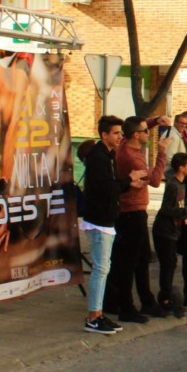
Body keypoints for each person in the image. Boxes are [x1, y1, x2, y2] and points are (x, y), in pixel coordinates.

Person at [78, 116, 145, 334]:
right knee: (101, 268)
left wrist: (127, 183)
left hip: (106, 218)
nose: (119, 137)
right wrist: (129, 180)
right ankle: (93, 316)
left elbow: (111, 187)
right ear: (104, 134)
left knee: (104, 267)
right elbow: (106, 188)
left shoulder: (108, 155)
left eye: (120, 133)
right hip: (99, 221)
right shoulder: (98, 157)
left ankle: (98, 314)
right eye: (115, 133)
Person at [108, 115, 168, 323]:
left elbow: (136, 125)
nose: (148, 134)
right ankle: (126, 306)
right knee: (130, 262)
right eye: (145, 131)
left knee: (142, 259)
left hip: (136, 210)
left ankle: (146, 301)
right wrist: (162, 153)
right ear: (136, 135)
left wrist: (156, 120)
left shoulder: (127, 143)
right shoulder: (131, 157)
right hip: (131, 211)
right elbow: (155, 181)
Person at [152, 151, 187, 319]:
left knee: (171, 264)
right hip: (164, 231)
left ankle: (168, 297)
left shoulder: (183, 184)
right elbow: (166, 209)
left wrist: (185, 218)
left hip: (174, 230)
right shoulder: (172, 185)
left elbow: (178, 207)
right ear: (181, 168)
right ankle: (165, 299)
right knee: (168, 265)